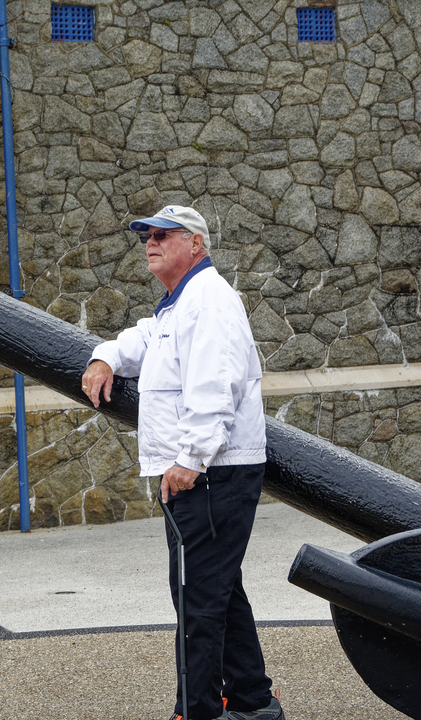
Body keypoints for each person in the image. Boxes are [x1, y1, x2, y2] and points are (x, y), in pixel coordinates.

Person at [80, 205, 284, 720]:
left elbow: (218, 383)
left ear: (196, 244)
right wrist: (106, 355)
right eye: (147, 236)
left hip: (211, 473)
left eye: (163, 235)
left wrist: (191, 458)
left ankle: (195, 712)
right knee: (218, 591)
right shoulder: (181, 304)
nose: (150, 242)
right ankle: (254, 703)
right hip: (209, 472)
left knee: (198, 602)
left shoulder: (208, 302)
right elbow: (146, 338)